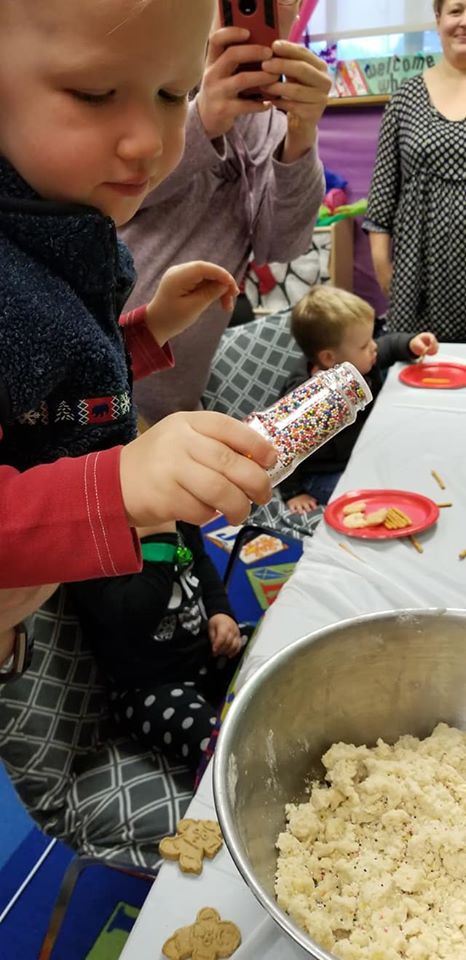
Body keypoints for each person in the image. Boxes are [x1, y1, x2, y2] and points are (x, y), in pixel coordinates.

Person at [0, 0, 278, 672]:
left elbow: (46, 391)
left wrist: (148, 330)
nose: (150, 140)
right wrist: (119, 483)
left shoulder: (58, 222)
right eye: (95, 94)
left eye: (172, 93)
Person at [120, 2, 331, 424]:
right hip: (101, 374)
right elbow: (112, 202)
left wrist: (302, 136)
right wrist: (201, 122)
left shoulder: (272, 119)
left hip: (178, 398)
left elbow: (282, 245)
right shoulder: (148, 71)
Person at [70, 522, 244, 773]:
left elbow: (201, 561)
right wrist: (159, 534)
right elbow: (137, 614)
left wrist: (220, 611)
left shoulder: (172, 511)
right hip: (148, 688)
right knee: (216, 750)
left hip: (206, 652)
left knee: (265, 654)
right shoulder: (88, 546)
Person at [279, 286, 439, 514]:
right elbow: (285, 447)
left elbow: (387, 346)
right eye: (364, 345)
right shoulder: (308, 399)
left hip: (364, 451)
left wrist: (409, 344)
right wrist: (293, 493)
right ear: (329, 358)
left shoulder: (358, 360)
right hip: (324, 473)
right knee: (374, 499)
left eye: (371, 338)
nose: (374, 346)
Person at [363, 0, 466, 342]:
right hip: (417, 273)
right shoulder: (406, 99)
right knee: (418, 376)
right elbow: (382, 192)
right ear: (438, 19)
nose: (464, 22)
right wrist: (383, 264)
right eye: (457, 10)